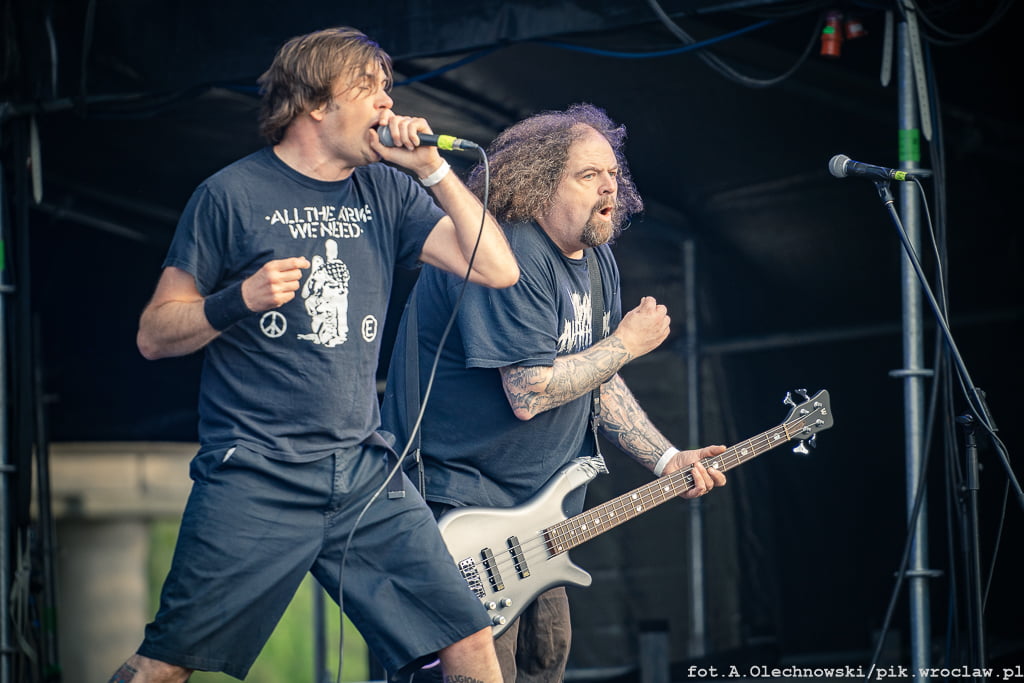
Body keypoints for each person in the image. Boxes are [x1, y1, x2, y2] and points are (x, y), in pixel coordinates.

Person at [109, 26, 518, 683]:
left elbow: (497, 268)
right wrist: (237, 299)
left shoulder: (386, 191)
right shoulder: (231, 195)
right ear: (316, 103)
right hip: (258, 472)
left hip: (362, 470)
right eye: (369, 87)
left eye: (387, 88)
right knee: (167, 665)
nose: (387, 103)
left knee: (468, 636)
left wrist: (433, 172)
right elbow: (154, 334)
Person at [380, 103, 727, 682]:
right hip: (463, 504)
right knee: (479, 668)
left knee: (546, 660)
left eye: (613, 173)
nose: (609, 187)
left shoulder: (598, 259)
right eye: (588, 175)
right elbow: (529, 391)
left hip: (537, 515)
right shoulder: (512, 249)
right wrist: (627, 344)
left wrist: (666, 458)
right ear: (539, 185)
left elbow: (596, 376)